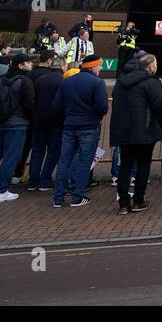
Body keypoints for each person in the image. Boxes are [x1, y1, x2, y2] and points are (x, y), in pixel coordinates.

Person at [108, 52, 162, 214]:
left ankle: (123, 203)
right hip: (144, 131)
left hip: (124, 131)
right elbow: (159, 106)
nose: (156, 67)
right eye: (155, 65)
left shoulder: (121, 82)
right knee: (143, 165)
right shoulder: (151, 83)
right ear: (149, 67)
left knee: (125, 166)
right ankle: (138, 200)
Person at [51, 55, 110, 208]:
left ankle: (58, 197)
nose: (101, 68)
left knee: (64, 161)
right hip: (89, 126)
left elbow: (56, 106)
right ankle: (77, 197)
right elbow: (102, 107)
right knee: (84, 162)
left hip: (69, 126)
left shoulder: (67, 81)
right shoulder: (97, 83)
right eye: (99, 65)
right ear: (93, 66)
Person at [0, 52, 35, 204]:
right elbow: (29, 104)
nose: (31, 65)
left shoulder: (1, 80)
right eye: (28, 62)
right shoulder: (25, 81)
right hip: (16, 124)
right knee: (10, 157)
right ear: (21, 65)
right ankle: (2, 190)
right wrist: (29, 118)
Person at [24, 49, 64, 192]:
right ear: (62, 67)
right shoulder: (62, 81)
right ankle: (45, 179)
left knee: (37, 151)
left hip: (38, 120)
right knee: (53, 151)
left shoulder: (40, 80)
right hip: (55, 121)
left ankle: (33, 180)